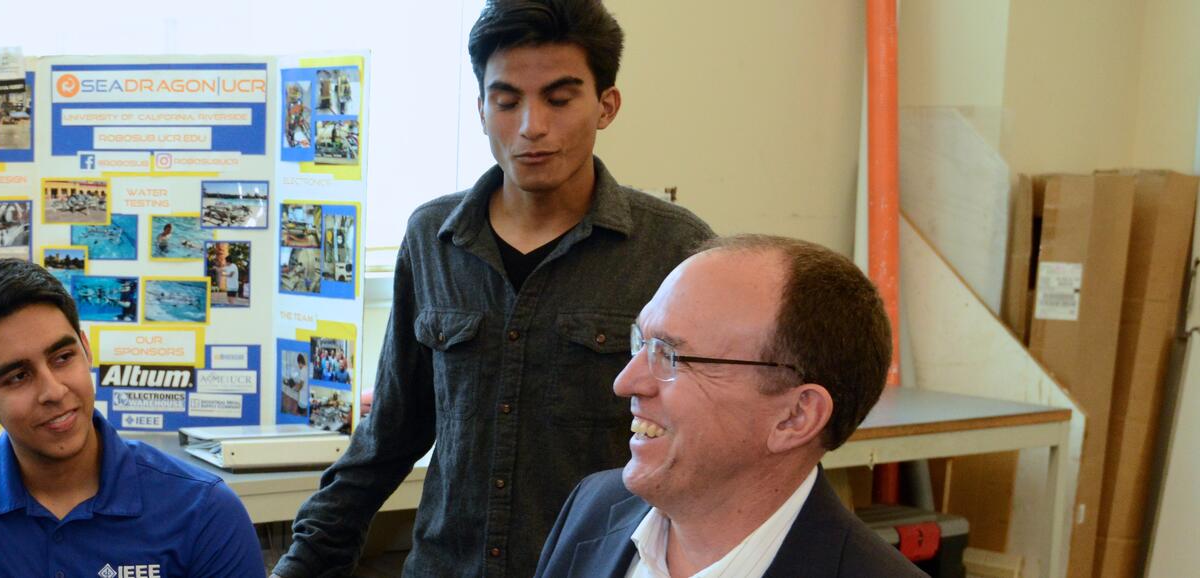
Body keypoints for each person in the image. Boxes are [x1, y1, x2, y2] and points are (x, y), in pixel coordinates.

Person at [273, 1, 718, 576]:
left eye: (559, 99)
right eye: (507, 101)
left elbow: (706, 442)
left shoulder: (674, 249)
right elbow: (388, 436)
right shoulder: (432, 239)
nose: (532, 125)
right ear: (481, 109)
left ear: (606, 105)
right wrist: (303, 563)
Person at [536, 235, 920, 577]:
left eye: (670, 355)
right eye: (642, 343)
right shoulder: (592, 510)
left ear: (795, 417)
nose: (624, 382)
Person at [0, 259, 264, 577]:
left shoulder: (204, 510)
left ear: (85, 349)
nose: (54, 391)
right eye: (18, 376)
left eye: (62, 358)